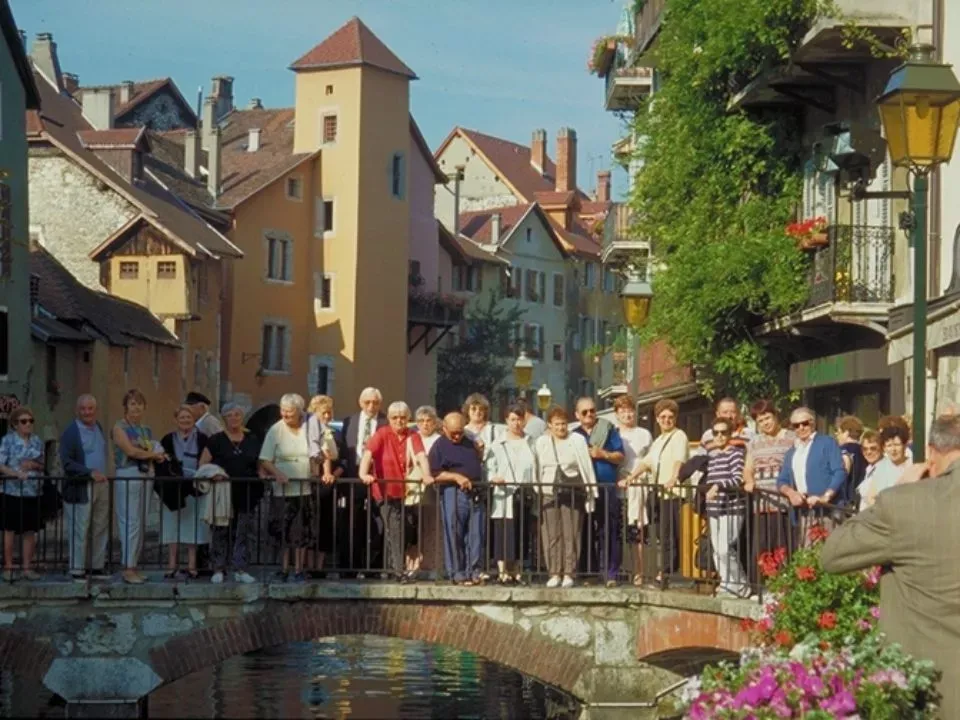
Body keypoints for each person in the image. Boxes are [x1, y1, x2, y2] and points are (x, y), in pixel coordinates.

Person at [821, 414, 960, 719]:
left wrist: (896, 491)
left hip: (934, 693)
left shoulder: (906, 503)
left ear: (933, 453)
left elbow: (833, 554)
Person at [359, 401, 432, 582]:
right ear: (389, 419)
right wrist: (363, 474)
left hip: (404, 491)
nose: (399, 421)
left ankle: (392, 568)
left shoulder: (412, 435)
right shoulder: (382, 433)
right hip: (385, 490)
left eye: (403, 418)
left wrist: (427, 474)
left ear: (408, 419)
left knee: (402, 529)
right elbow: (368, 453)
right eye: (395, 418)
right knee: (394, 528)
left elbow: (421, 455)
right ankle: (398, 571)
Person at [199, 402, 264, 584]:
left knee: (244, 530)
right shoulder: (215, 440)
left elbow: (259, 463)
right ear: (224, 418)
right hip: (223, 492)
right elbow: (203, 464)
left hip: (248, 491)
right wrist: (214, 474)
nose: (234, 418)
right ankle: (218, 568)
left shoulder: (252, 439)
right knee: (220, 530)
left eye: (237, 414)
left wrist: (263, 474)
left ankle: (240, 568)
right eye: (230, 415)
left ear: (241, 417)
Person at [533, 406, 598, 588]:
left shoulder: (577, 440)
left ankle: (569, 572)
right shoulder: (541, 442)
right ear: (549, 425)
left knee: (571, 533)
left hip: (572, 491)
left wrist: (590, 490)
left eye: (563, 424)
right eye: (557, 424)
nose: (561, 428)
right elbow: (537, 466)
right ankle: (554, 572)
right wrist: (538, 488)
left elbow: (585, 465)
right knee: (551, 534)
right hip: (549, 490)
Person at [629, 399, 689, 584]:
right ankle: (665, 570)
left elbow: (679, 459)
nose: (667, 420)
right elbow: (647, 462)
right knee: (662, 534)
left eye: (670, 417)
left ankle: (668, 572)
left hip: (673, 493)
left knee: (670, 534)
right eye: (663, 417)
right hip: (660, 492)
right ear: (657, 419)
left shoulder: (679, 436)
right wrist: (631, 477)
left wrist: (673, 477)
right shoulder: (659, 440)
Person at [112, 389, 165, 585]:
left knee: (141, 521)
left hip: (145, 475)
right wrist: (153, 455)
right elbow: (130, 450)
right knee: (130, 521)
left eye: (139, 404)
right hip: (128, 474)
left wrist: (153, 455)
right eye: (132, 403)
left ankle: (134, 564)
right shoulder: (119, 428)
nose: (136, 407)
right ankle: (128, 567)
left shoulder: (146, 430)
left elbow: (148, 449)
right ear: (126, 406)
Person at [259, 393, 314, 582]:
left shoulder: (309, 428)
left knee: (301, 530)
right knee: (282, 530)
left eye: (289, 412)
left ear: (299, 412)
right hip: (282, 490)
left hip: (303, 488)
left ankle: (299, 569)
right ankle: (283, 569)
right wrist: (277, 473)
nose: (285, 415)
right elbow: (265, 459)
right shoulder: (276, 430)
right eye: (283, 411)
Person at [572, 396, 624, 586]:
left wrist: (602, 454)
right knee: (584, 530)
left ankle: (610, 573)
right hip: (583, 488)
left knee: (608, 530)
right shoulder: (574, 435)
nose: (589, 415)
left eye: (592, 410)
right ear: (577, 415)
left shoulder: (608, 429)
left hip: (605, 486)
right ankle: (589, 573)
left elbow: (620, 456)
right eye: (584, 412)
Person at [776, 407, 846, 545]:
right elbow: (781, 480)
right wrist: (791, 493)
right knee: (808, 557)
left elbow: (839, 471)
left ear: (813, 423)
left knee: (829, 553)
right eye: (796, 425)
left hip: (827, 510)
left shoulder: (827, 442)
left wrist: (825, 496)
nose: (801, 428)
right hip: (804, 511)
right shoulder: (792, 452)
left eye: (805, 423)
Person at [742, 400, 795, 583]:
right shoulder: (754, 443)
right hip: (761, 504)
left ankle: (784, 586)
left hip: (783, 503)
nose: (765, 423)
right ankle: (760, 586)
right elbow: (748, 468)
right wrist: (749, 481)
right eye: (761, 420)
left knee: (783, 548)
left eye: (767, 418)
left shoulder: (791, 438)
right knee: (762, 548)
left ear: (775, 416)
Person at [429, 412, 485, 585]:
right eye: (453, 432)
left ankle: (474, 571)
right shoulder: (439, 446)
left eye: (460, 432)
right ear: (444, 428)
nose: (456, 436)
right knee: (454, 533)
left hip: (475, 492)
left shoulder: (470, 442)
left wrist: (480, 451)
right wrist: (456, 477)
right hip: (453, 493)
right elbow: (434, 474)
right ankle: (456, 572)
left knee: (476, 534)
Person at [157, 405, 210, 580]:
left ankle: (192, 565)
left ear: (194, 419)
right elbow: (161, 462)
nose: (185, 420)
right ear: (176, 420)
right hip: (172, 487)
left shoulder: (203, 439)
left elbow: (208, 459)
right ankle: (172, 564)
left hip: (193, 486)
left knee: (193, 525)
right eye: (182, 417)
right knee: (172, 524)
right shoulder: (167, 439)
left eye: (188, 417)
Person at [60, 394, 110, 581]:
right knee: (80, 528)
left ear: (95, 410)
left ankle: (96, 567)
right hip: (80, 486)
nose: (87, 412)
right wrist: (89, 472)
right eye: (83, 409)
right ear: (77, 410)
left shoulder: (98, 427)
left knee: (100, 526)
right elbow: (66, 463)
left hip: (101, 484)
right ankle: (77, 569)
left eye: (90, 409)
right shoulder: (70, 432)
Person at [340, 387, 387, 576]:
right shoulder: (349, 422)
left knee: (380, 523)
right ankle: (349, 567)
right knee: (351, 523)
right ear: (360, 403)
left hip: (378, 478)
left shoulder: (385, 422)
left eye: (375, 402)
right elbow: (344, 451)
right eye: (367, 402)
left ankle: (375, 567)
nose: (371, 406)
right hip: (353, 478)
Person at [488, 404, 537, 584]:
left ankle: (517, 569)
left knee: (521, 531)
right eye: (513, 419)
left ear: (524, 420)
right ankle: (502, 571)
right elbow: (489, 467)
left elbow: (535, 466)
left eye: (519, 419)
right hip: (503, 494)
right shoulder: (498, 443)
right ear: (507, 421)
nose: (516, 423)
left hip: (523, 493)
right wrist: (494, 478)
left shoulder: (531, 442)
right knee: (503, 530)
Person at [702, 418, 748, 597]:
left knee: (725, 548)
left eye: (723, 432)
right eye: (716, 433)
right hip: (714, 508)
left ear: (730, 434)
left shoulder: (735, 453)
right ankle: (726, 583)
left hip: (732, 507)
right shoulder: (713, 457)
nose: (720, 436)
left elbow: (737, 479)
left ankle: (740, 585)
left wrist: (718, 486)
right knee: (716, 550)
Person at [0, 406, 44, 582]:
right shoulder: (8, 441)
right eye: (23, 421)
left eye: (30, 421)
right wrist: (16, 473)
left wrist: (33, 466)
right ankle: (8, 567)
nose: (28, 424)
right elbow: (0, 464)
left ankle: (27, 567)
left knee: (30, 530)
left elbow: (42, 464)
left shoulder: (36, 441)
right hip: (12, 491)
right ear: (15, 424)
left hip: (32, 491)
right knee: (10, 529)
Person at [613, 395, 653, 587]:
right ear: (617, 414)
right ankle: (623, 568)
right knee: (621, 531)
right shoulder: (614, 434)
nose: (627, 414)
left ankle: (640, 571)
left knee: (638, 531)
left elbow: (650, 460)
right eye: (622, 411)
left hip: (640, 486)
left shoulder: (644, 434)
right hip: (620, 486)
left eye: (630, 411)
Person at [306, 394, 340, 574]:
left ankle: (319, 567)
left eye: (329, 412)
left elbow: (335, 457)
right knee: (311, 523)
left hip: (325, 483)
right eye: (323, 412)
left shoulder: (330, 431)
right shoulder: (312, 427)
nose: (327, 416)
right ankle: (309, 565)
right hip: (313, 479)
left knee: (324, 524)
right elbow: (322, 452)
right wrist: (325, 472)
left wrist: (331, 473)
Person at [411, 406, 443, 577]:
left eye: (429, 421)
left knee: (431, 526)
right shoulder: (411, 437)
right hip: (411, 489)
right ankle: (413, 565)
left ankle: (432, 565)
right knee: (413, 528)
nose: (425, 424)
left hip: (432, 488)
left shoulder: (439, 440)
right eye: (421, 421)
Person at [855, 430, 901, 510]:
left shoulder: (887, 468)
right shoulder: (869, 469)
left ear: (882, 448)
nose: (868, 452)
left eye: (873, 448)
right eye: (865, 449)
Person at [835, 415, 866, 505]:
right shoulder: (866, 451)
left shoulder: (842, 451)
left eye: (839, 432)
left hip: (847, 502)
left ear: (846, 433)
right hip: (861, 500)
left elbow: (842, 478)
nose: (836, 435)